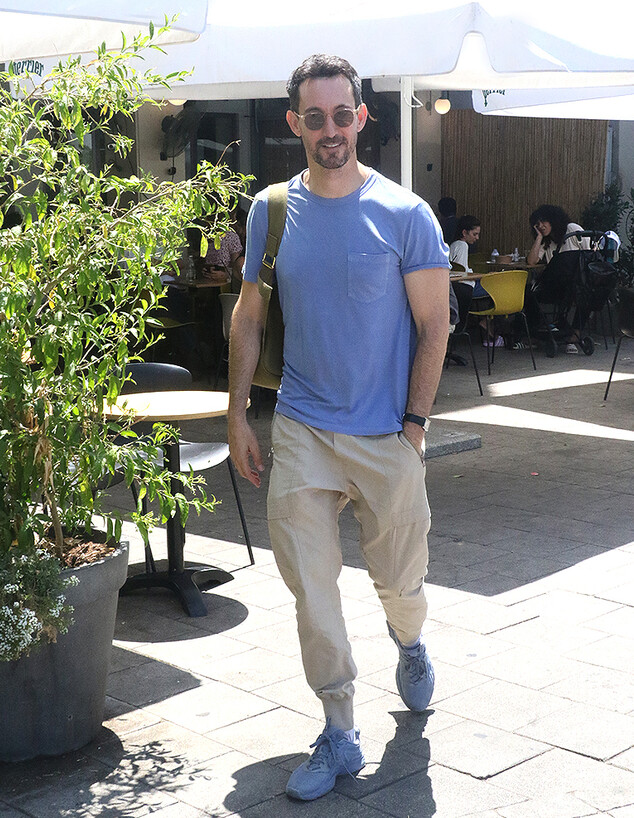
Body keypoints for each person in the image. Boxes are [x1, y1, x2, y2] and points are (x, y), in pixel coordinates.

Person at [228, 54, 449, 802]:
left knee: (400, 579)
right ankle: (339, 726)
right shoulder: (271, 211)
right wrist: (237, 411)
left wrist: (413, 428)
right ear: (295, 123)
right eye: (315, 117)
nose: (331, 129)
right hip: (301, 428)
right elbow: (250, 314)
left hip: (387, 434)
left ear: (363, 117)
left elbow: (435, 327)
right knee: (311, 588)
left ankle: (410, 640)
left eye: (343, 115)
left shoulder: (406, 215)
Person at [526, 204, 590, 352]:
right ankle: (541, 331)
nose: (541, 226)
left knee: (587, 294)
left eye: (543, 221)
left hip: (577, 283)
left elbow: (589, 252)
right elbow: (531, 261)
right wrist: (539, 237)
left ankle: (574, 333)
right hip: (558, 286)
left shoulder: (572, 230)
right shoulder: (546, 241)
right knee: (527, 293)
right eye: (537, 224)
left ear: (553, 219)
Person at [449, 215, 500, 346]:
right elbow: (462, 275)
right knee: (498, 289)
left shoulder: (454, 245)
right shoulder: (462, 246)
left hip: (458, 287)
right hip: (466, 286)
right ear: (464, 232)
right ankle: (487, 321)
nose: (477, 238)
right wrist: (484, 276)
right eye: (474, 234)